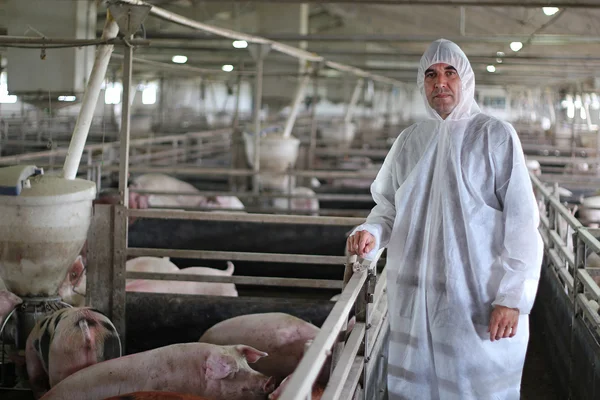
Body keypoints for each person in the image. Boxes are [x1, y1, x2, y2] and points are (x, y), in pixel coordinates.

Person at [346, 39, 543, 400]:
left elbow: (522, 222)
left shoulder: (494, 136)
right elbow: (388, 206)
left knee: (475, 387)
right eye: (431, 75)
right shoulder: (410, 141)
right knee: (418, 382)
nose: (440, 82)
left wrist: (512, 297)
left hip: (479, 299)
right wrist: (371, 231)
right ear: (422, 85)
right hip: (416, 293)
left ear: (465, 79)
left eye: (450, 73)